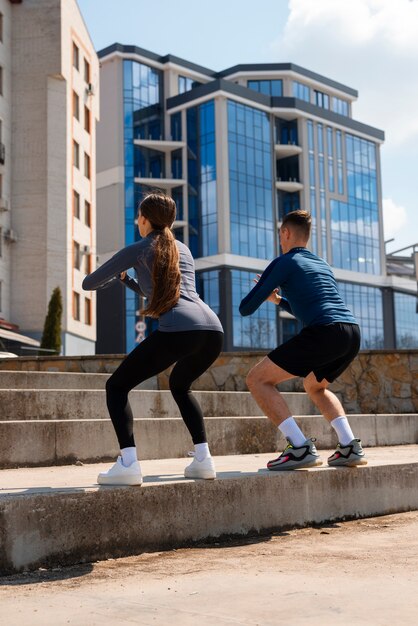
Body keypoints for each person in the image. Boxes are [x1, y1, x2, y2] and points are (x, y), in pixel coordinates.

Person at [82, 192, 223, 485]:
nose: (137, 221)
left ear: (144, 220)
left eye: (138, 217)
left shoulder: (139, 248)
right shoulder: (182, 249)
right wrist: (129, 281)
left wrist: (114, 273)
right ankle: (203, 459)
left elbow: (89, 282)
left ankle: (129, 463)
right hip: (212, 330)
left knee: (116, 387)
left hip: (180, 330)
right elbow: (165, 293)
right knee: (180, 386)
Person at [239, 209, 366, 470]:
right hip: (351, 332)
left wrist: (262, 289)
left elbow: (246, 308)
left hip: (325, 331)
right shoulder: (322, 264)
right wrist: (279, 301)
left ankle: (299, 446)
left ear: (285, 233)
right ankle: (349, 445)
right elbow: (310, 307)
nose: (280, 241)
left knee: (257, 379)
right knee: (314, 385)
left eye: (280, 235)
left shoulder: (284, 261)